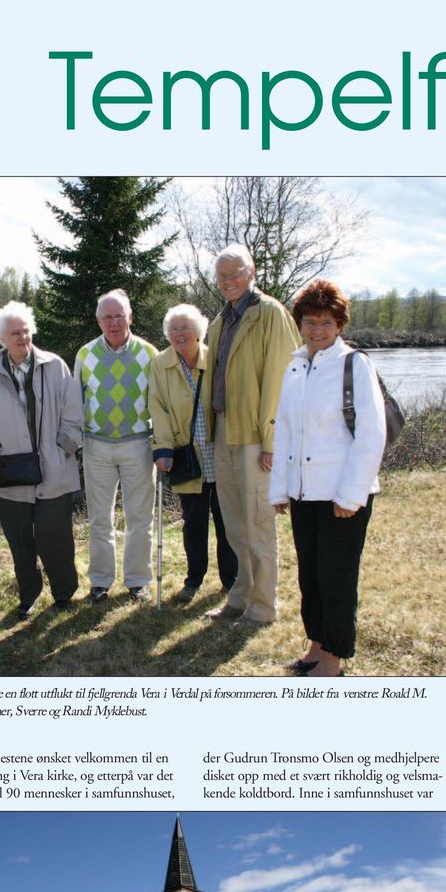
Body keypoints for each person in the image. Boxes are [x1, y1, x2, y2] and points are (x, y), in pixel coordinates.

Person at [270, 280, 387, 678]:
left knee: (336, 578)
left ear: (339, 324)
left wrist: (351, 495)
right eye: (309, 321)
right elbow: (284, 430)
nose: (317, 329)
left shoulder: (355, 364)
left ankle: (334, 658)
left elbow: (371, 435)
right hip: (305, 493)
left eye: (325, 322)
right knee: (310, 577)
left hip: (342, 494)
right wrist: (281, 488)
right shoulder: (296, 365)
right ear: (299, 324)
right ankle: (316, 647)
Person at [205, 245, 300, 626]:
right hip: (224, 431)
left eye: (235, 273)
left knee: (259, 522)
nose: (228, 281)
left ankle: (263, 607)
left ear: (252, 271)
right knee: (235, 523)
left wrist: (272, 443)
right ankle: (240, 596)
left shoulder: (270, 314)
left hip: (256, 436)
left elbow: (282, 382)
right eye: (222, 276)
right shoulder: (221, 320)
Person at [0, 302, 83, 621]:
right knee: (21, 543)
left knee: (56, 539)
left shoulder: (55, 365)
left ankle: (64, 594)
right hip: (11, 474)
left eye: (26, 330)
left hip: (53, 469)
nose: (22, 337)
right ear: (2, 338)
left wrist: (63, 447)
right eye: (15, 333)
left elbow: (74, 412)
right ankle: (28, 595)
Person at [150, 304, 238, 605]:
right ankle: (194, 579)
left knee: (228, 522)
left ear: (199, 331)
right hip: (187, 456)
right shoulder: (160, 363)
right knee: (194, 523)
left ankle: (232, 579)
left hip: (220, 452)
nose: (179, 334)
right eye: (173, 329)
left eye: (185, 327)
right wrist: (161, 448)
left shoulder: (214, 358)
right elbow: (158, 408)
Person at [74, 289, 157, 604]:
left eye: (119, 315)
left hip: (138, 444)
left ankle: (137, 581)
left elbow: (159, 402)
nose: (113, 322)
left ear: (130, 317)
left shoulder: (149, 353)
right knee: (99, 518)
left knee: (139, 517)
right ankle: (101, 582)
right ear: (98, 320)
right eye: (107, 317)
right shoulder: (85, 355)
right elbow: (75, 401)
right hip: (97, 446)